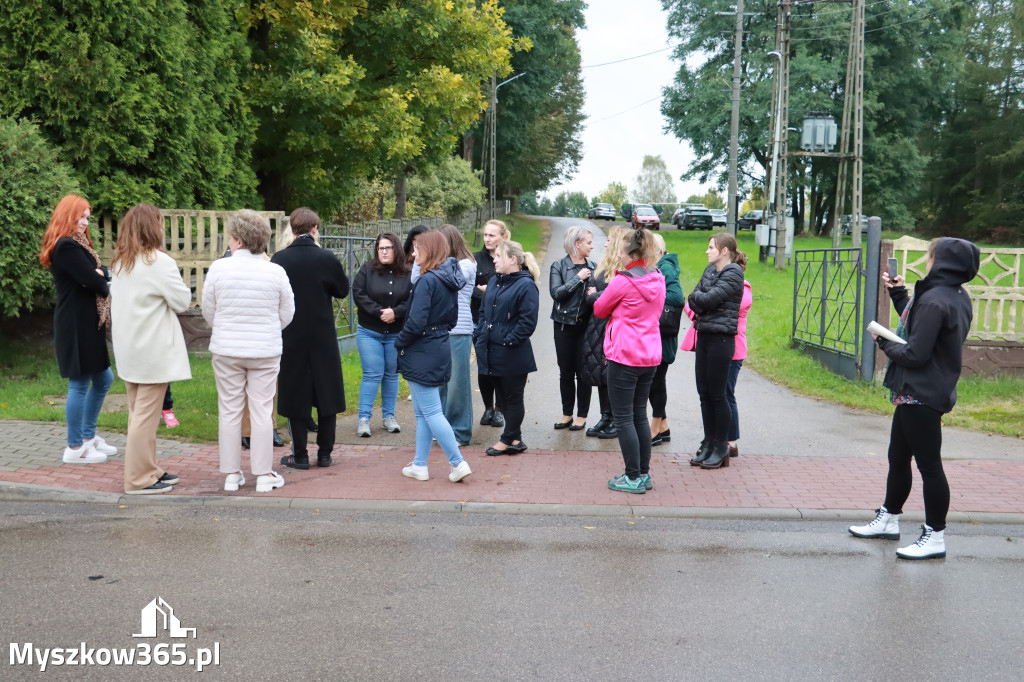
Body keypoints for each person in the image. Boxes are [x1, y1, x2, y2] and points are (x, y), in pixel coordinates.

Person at [849, 237, 980, 560]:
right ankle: (889, 518)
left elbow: (916, 352)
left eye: (929, 256)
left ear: (943, 261)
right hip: (918, 391)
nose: (926, 261)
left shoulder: (936, 300)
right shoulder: (953, 296)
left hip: (922, 392)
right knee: (898, 457)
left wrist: (883, 342)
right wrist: (899, 293)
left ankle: (935, 535)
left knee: (929, 466)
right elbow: (919, 327)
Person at [203, 210, 294, 493]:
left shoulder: (219, 269)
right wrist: (268, 329)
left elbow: (209, 310)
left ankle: (232, 474)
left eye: (230, 237)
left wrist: (227, 328)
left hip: (228, 349)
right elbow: (287, 312)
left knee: (229, 409)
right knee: (262, 410)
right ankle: (264, 475)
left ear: (239, 240)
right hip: (264, 350)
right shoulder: (275, 271)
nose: (229, 242)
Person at [109, 203, 191, 494]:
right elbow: (182, 301)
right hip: (153, 351)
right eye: (159, 223)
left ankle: (150, 469)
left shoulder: (119, 263)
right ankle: (137, 479)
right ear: (151, 228)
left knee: (138, 414)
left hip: (129, 348)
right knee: (145, 417)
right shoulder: (159, 262)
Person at [39, 194, 116, 465]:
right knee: (81, 384)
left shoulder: (79, 244)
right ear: (67, 216)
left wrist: (100, 274)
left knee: (104, 380)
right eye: (81, 216)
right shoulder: (66, 247)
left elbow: (98, 273)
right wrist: (101, 277)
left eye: (87, 217)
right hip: (75, 324)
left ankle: (87, 437)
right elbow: (94, 281)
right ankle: (74, 447)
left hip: (88, 321)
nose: (85, 222)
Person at [271, 207, 349, 469]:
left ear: (292, 230)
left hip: (291, 334)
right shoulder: (326, 257)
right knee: (326, 392)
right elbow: (342, 290)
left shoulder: (280, 259)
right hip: (322, 335)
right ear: (315, 229)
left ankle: (300, 454)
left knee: (295, 393)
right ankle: (325, 454)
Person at [395, 230, 472, 482]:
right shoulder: (447, 278)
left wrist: (400, 341)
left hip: (422, 351)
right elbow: (451, 319)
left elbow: (415, 322)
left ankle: (457, 463)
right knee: (423, 412)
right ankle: (420, 465)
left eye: (417, 248)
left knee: (432, 412)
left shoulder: (427, 281)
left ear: (429, 250)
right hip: (439, 346)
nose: (413, 253)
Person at [593, 228, 665, 494]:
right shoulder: (658, 278)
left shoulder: (622, 281)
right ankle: (643, 474)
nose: (619, 257)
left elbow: (599, 309)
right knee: (638, 415)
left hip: (624, 356)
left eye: (621, 253)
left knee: (623, 418)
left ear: (631, 253)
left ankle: (632, 476)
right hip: (649, 356)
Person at [475, 240, 540, 455]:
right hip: (490, 349)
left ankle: (506, 439)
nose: (493, 259)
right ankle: (516, 440)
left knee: (512, 398)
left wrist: (507, 339)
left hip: (512, 352)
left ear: (513, 259)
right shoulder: (494, 281)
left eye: (498, 256)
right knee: (502, 398)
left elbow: (527, 322)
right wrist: (483, 332)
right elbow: (483, 311)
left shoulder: (526, 285)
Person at [688, 233, 746, 470]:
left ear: (724, 251)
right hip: (703, 336)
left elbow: (708, 299)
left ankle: (721, 446)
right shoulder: (709, 270)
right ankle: (709, 443)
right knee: (704, 393)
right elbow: (692, 299)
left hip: (721, 340)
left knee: (717, 394)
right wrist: (700, 300)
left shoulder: (734, 273)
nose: (707, 251)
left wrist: (701, 300)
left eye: (711, 247)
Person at [351, 232, 413, 437]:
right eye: (380, 248)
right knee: (372, 373)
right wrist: (379, 312)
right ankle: (364, 418)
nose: (384, 252)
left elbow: (412, 298)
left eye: (388, 248)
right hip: (370, 331)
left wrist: (396, 313)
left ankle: (388, 417)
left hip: (396, 333)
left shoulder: (408, 272)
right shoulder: (367, 269)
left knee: (391, 374)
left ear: (397, 249)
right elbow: (359, 293)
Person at [581, 227, 630, 440]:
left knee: (612, 374)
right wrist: (598, 295)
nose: (605, 243)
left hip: (612, 327)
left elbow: (608, 297)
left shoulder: (623, 269)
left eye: (609, 239)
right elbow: (590, 293)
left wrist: (597, 295)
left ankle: (616, 421)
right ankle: (605, 416)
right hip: (597, 325)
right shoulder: (603, 266)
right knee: (600, 373)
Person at [549, 225, 596, 430]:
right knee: (566, 372)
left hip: (586, 327)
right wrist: (578, 279)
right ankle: (567, 414)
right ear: (577, 244)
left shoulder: (594, 267)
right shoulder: (558, 266)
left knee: (583, 373)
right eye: (588, 242)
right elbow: (557, 293)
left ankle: (582, 416)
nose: (592, 247)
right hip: (563, 326)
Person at [436, 224, 477, 445]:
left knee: (456, 385)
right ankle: (443, 429)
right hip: (439, 330)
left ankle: (459, 431)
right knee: (440, 384)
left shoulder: (467, 264)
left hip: (458, 331)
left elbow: (453, 281)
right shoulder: (441, 265)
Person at [648, 233, 686, 447]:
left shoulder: (665, 268)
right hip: (656, 335)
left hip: (663, 336)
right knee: (654, 382)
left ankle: (655, 428)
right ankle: (663, 426)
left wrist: (652, 294)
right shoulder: (657, 267)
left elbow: (677, 297)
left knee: (656, 382)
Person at [471, 219, 510, 428]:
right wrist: (486, 293)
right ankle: (488, 408)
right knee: (483, 367)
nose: (487, 239)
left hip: (504, 322)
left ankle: (500, 410)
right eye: (485, 235)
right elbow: (469, 288)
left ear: (503, 237)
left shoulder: (510, 259)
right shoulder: (475, 259)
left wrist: (490, 291)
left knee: (501, 367)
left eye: (492, 235)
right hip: (480, 320)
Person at [726, 272, 753, 457]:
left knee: (727, 393)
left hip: (734, 349)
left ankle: (732, 441)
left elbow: (732, 309)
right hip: (718, 346)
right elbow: (692, 306)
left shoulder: (743, 287)